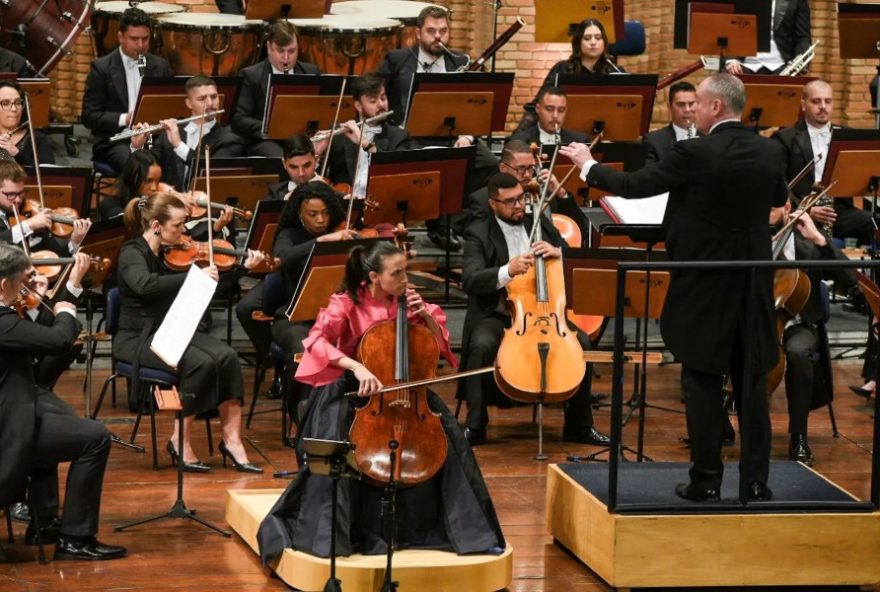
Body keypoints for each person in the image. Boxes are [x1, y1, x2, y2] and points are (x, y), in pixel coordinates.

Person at [560, 73, 788, 502]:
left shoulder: (694, 152)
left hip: (704, 283)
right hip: (754, 281)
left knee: (702, 381)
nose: (693, 111)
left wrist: (586, 164)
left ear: (716, 107)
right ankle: (756, 482)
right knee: (752, 383)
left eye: (698, 103)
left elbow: (633, 185)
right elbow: (777, 197)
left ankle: (706, 481)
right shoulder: (771, 151)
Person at [257, 240, 505, 561]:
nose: (405, 280)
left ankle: (459, 530)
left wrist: (425, 318)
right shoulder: (346, 302)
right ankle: (337, 534)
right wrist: (356, 366)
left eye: (406, 271)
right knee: (339, 445)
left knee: (451, 444)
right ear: (374, 277)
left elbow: (439, 346)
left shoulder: (410, 303)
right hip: (355, 392)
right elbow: (316, 341)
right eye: (397, 273)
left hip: (407, 391)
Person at [114, 192, 265, 473]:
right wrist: (192, 276)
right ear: (157, 225)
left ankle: (232, 441)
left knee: (228, 356)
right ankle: (178, 440)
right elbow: (145, 285)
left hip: (172, 330)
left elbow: (208, 288)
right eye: (178, 225)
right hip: (137, 338)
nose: (184, 232)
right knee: (201, 363)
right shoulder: (131, 252)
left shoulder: (173, 254)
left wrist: (241, 269)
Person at [457, 172, 609, 446]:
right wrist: (507, 270)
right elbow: (470, 279)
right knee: (481, 344)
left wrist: (558, 251)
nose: (519, 206)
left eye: (522, 199)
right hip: (499, 312)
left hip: (545, 311)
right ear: (493, 204)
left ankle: (579, 426)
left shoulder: (539, 222)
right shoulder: (478, 232)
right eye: (510, 202)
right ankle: (476, 425)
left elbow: (569, 256)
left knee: (583, 343)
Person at [0, 243, 126, 561]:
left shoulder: (7, 317)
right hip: (8, 421)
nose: (27, 286)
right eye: (21, 280)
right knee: (95, 438)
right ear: (4, 284)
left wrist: (43, 304)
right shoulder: (2, 322)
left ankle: (44, 524)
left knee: (64, 421)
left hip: (18, 399)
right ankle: (76, 538)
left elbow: (37, 348)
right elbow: (57, 340)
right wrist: (68, 302)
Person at [235, 179, 355, 399]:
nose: (321, 219)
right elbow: (282, 257)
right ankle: (302, 416)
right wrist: (323, 240)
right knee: (304, 348)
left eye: (326, 213)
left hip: (335, 315)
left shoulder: (341, 231)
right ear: (300, 213)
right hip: (294, 318)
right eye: (313, 214)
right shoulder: (288, 235)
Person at [770, 199, 855, 466]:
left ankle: (799, 436)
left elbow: (850, 281)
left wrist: (819, 239)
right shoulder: (751, 237)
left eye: (774, 207)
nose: (768, 213)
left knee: (798, 353)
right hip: (759, 322)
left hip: (799, 323)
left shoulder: (806, 240)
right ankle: (725, 424)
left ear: (787, 207)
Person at [772, 80, 873, 246]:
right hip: (802, 213)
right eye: (816, 101)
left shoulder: (846, 135)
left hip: (838, 212)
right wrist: (807, 209)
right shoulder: (785, 138)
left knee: (873, 223)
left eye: (828, 101)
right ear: (803, 105)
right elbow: (779, 183)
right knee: (809, 242)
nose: (823, 106)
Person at [81, 7, 172, 173]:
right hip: (116, 141)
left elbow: (168, 106)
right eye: (134, 39)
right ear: (121, 37)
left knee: (180, 161)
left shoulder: (160, 65)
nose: (141, 45)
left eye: (145, 39)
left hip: (154, 137)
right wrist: (126, 118)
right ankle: (139, 200)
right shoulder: (102, 68)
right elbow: (89, 116)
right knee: (140, 168)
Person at [456, 140, 588, 241]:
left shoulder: (545, 195)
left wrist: (560, 192)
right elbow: (477, 242)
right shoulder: (483, 198)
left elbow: (581, 229)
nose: (526, 175)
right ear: (503, 168)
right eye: (520, 169)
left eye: (531, 168)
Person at [130, 75, 245, 190]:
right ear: (189, 103)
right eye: (202, 99)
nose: (210, 103)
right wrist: (137, 147)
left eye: (214, 97)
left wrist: (179, 145)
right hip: (168, 202)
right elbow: (148, 168)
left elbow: (212, 172)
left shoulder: (230, 139)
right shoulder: (172, 131)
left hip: (204, 203)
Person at [317, 73, 409, 208]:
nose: (381, 105)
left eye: (383, 98)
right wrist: (316, 154)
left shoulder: (399, 136)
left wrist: (364, 142)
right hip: (343, 207)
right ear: (359, 106)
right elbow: (318, 181)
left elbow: (397, 173)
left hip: (381, 207)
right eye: (373, 101)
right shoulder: (340, 134)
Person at [232, 21, 320, 158]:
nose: (286, 58)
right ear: (268, 48)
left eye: (291, 51)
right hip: (265, 141)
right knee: (282, 157)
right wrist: (274, 129)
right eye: (280, 51)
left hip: (302, 138)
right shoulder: (250, 75)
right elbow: (239, 119)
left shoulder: (310, 71)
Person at [378, 5, 462, 127]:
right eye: (431, 31)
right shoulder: (396, 60)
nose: (438, 36)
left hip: (450, 134)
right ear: (418, 33)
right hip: (406, 136)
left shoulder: (460, 61)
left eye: (443, 31)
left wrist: (467, 136)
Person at [0, 160, 91, 257]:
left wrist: (74, 242)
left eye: (21, 193)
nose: (18, 200)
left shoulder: (29, 211)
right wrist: (27, 225)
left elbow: (57, 260)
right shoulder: (30, 223)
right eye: (11, 194)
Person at [725, 0, 811, 75]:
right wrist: (731, 59)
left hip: (782, 65)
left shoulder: (797, 1)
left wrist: (801, 63)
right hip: (743, 63)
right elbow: (728, 30)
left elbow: (802, 38)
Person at [509, 87, 589, 147]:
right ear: (538, 109)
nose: (555, 116)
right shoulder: (519, 141)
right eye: (549, 109)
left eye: (561, 110)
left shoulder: (580, 141)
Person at [0, 81, 54, 167]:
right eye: (5, 103)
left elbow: (49, 176)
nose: (14, 109)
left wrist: (16, 153)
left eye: (18, 103)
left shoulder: (37, 139)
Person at [643, 81, 698, 164]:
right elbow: (650, 175)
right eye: (681, 104)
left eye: (691, 104)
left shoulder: (710, 137)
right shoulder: (653, 141)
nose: (687, 110)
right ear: (669, 107)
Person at [264, 134, 323, 202]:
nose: (301, 173)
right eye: (294, 167)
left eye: (307, 166)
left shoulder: (329, 190)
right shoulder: (275, 193)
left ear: (316, 160)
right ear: (284, 164)